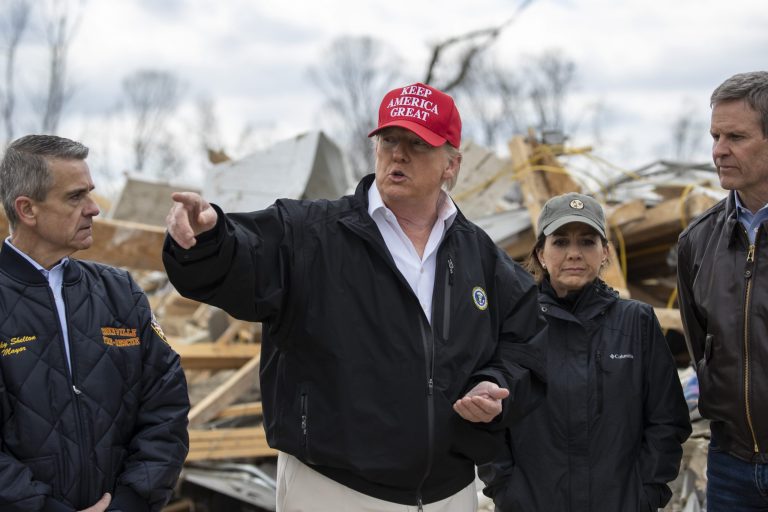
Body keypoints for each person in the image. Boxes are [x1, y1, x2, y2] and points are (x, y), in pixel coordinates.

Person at [163, 82, 546, 511]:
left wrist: (496, 383)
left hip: (448, 493)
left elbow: (526, 343)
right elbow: (239, 259)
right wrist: (207, 239)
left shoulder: (482, 257)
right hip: (332, 489)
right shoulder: (309, 234)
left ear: (451, 166)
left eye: (417, 144)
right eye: (388, 140)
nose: (398, 154)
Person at [0, 135, 190, 512]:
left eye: (91, 193)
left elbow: (166, 407)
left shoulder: (120, 293)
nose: (94, 209)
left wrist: (131, 502)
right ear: (27, 209)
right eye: (75, 197)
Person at [480, 192, 691, 511]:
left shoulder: (637, 322)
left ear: (605, 251)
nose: (574, 254)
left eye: (588, 242)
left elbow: (667, 419)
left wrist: (646, 493)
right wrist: (508, 491)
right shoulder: (513, 324)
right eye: (561, 242)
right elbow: (491, 419)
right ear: (540, 253)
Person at [677, 70, 768, 511]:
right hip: (731, 465)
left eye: (736, 136)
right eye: (715, 135)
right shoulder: (697, 242)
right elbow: (701, 349)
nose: (718, 151)